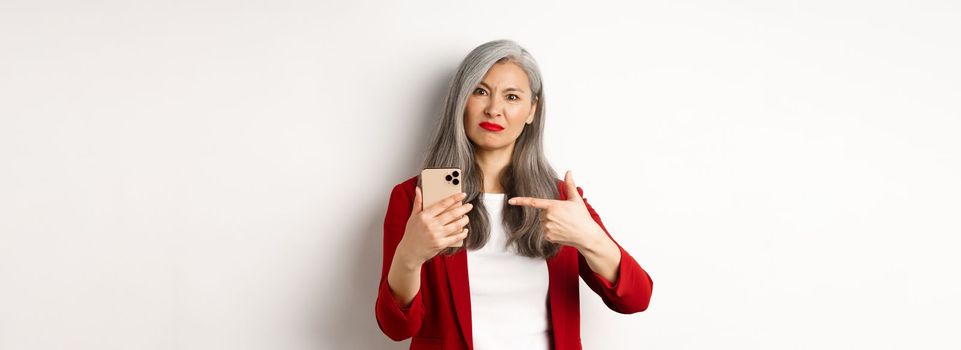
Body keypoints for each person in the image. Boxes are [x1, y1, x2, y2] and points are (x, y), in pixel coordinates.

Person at [375, 39, 653, 350]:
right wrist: (410, 256)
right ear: (460, 101)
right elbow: (397, 328)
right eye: (480, 91)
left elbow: (635, 300)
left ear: (532, 109)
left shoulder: (561, 200)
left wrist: (591, 239)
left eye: (511, 97)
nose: (494, 109)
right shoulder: (418, 198)